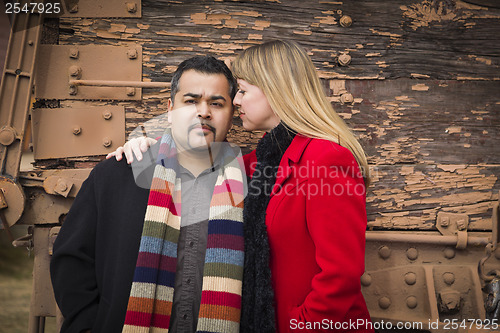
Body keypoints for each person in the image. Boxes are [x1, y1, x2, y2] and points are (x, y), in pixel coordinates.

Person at [110, 40, 373, 333]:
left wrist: (302, 324)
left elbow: (342, 274)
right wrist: (146, 146)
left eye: (244, 91)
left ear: (276, 91)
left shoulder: (326, 159)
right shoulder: (247, 165)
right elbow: (194, 154)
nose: (235, 101)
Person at [50, 55, 246, 333]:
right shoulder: (118, 174)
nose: (203, 112)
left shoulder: (249, 186)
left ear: (231, 113)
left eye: (216, 103)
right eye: (190, 101)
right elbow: (71, 260)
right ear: (170, 109)